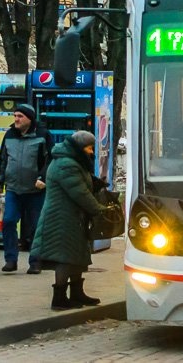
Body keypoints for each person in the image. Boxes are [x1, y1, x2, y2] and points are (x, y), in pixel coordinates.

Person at [31, 130, 116, 310]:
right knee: (65, 258)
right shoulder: (65, 164)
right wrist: (99, 209)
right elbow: (80, 193)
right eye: (89, 147)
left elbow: (81, 183)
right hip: (61, 219)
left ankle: (77, 293)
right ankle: (59, 298)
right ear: (79, 147)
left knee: (77, 255)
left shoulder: (71, 161)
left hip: (73, 217)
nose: (91, 151)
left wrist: (95, 183)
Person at [0, 103, 48, 274]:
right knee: (9, 221)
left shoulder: (42, 135)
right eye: (15, 116)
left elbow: (50, 160)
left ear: (29, 119)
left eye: (20, 116)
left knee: (35, 226)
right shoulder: (9, 135)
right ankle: (11, 260)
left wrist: (43, 178)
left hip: (35, 191)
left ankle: (35, 261)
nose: (16, 119)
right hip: (13, 189)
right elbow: (3, 159)